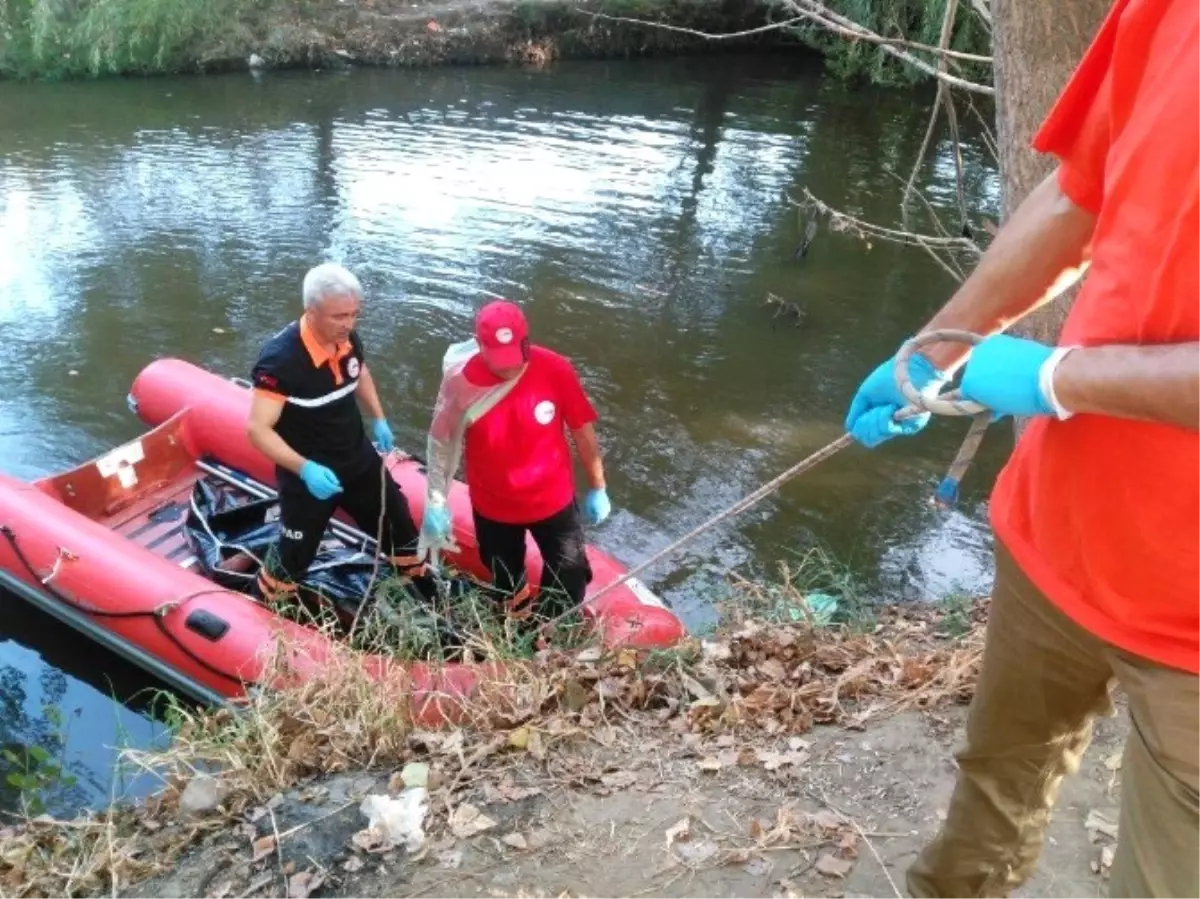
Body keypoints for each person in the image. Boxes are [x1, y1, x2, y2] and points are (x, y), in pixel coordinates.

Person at [845, 2, 1200, 896]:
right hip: (1055, 538)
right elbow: (1081, 191)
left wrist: (1058, 379)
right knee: (994, 787)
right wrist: (936, 346)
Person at [246, 262, 435, 606]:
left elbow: (359, 372)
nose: (348, 324)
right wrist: (305, 469)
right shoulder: (280, 361)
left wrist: (379, 418)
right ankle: (263, 604)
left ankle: (420, 588)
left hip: (356, 457)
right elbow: (258, 429)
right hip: (308, 472)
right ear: (312, 311)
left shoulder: (346, 338)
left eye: (354, 314)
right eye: (339, 316)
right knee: (295, 554)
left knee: (399, 522)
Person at [419, 299, 610, 620]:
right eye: (498, 358)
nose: (508, 367)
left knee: (571, 572)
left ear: (526, 340)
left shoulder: (556, 369)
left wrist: (598, 486)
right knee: (505, 579)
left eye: (515, 356)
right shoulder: (459, 382)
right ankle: (515, 624)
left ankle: (553, 630)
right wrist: (436, 501)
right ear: (480, 346)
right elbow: (441, 443)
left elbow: (582, 431)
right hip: (493, 508)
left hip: (553, 502)